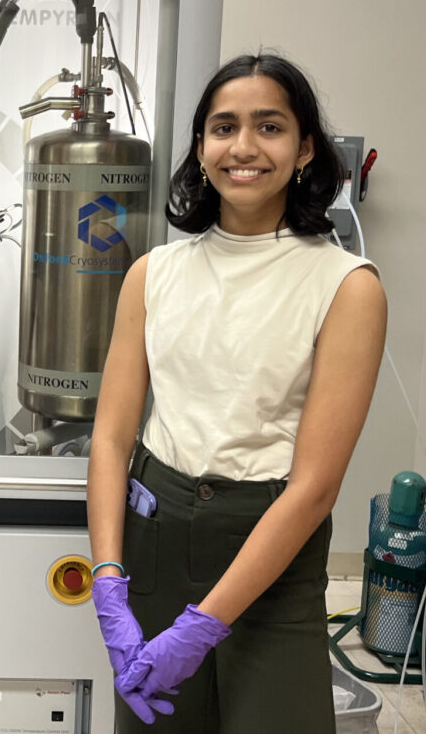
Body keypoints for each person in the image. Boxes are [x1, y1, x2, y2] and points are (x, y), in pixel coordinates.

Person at [86, 52, 387, 732]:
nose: (243, 147)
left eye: (269, 127)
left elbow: (314, 486)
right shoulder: (153, 274)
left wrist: (204, 626)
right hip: (155, 540)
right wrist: (107, 581)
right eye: (224, 128)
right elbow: (110, 438)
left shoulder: (346, 286)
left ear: (305, 149)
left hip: (272, 550)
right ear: (201, 148)